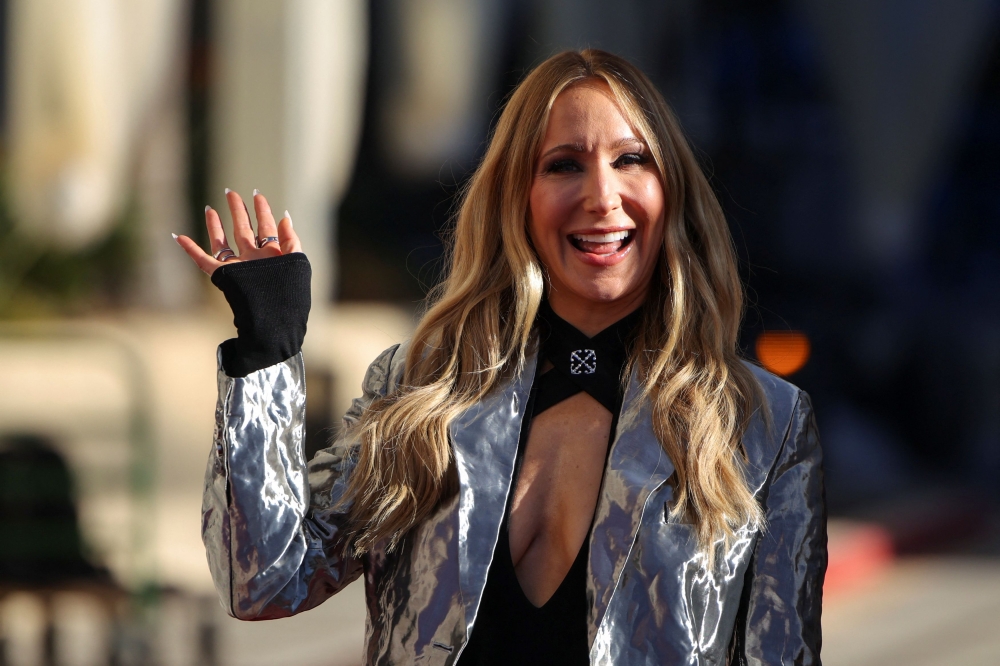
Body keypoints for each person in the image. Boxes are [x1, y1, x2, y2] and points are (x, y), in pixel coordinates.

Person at [176, 49, 826, 665]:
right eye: (564, 164)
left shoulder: (765, 424)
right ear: (517, 198)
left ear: (673, 191)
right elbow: (263, 581)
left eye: (632, 159)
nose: (602, 195)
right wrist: (267, 346)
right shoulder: (420, 389)